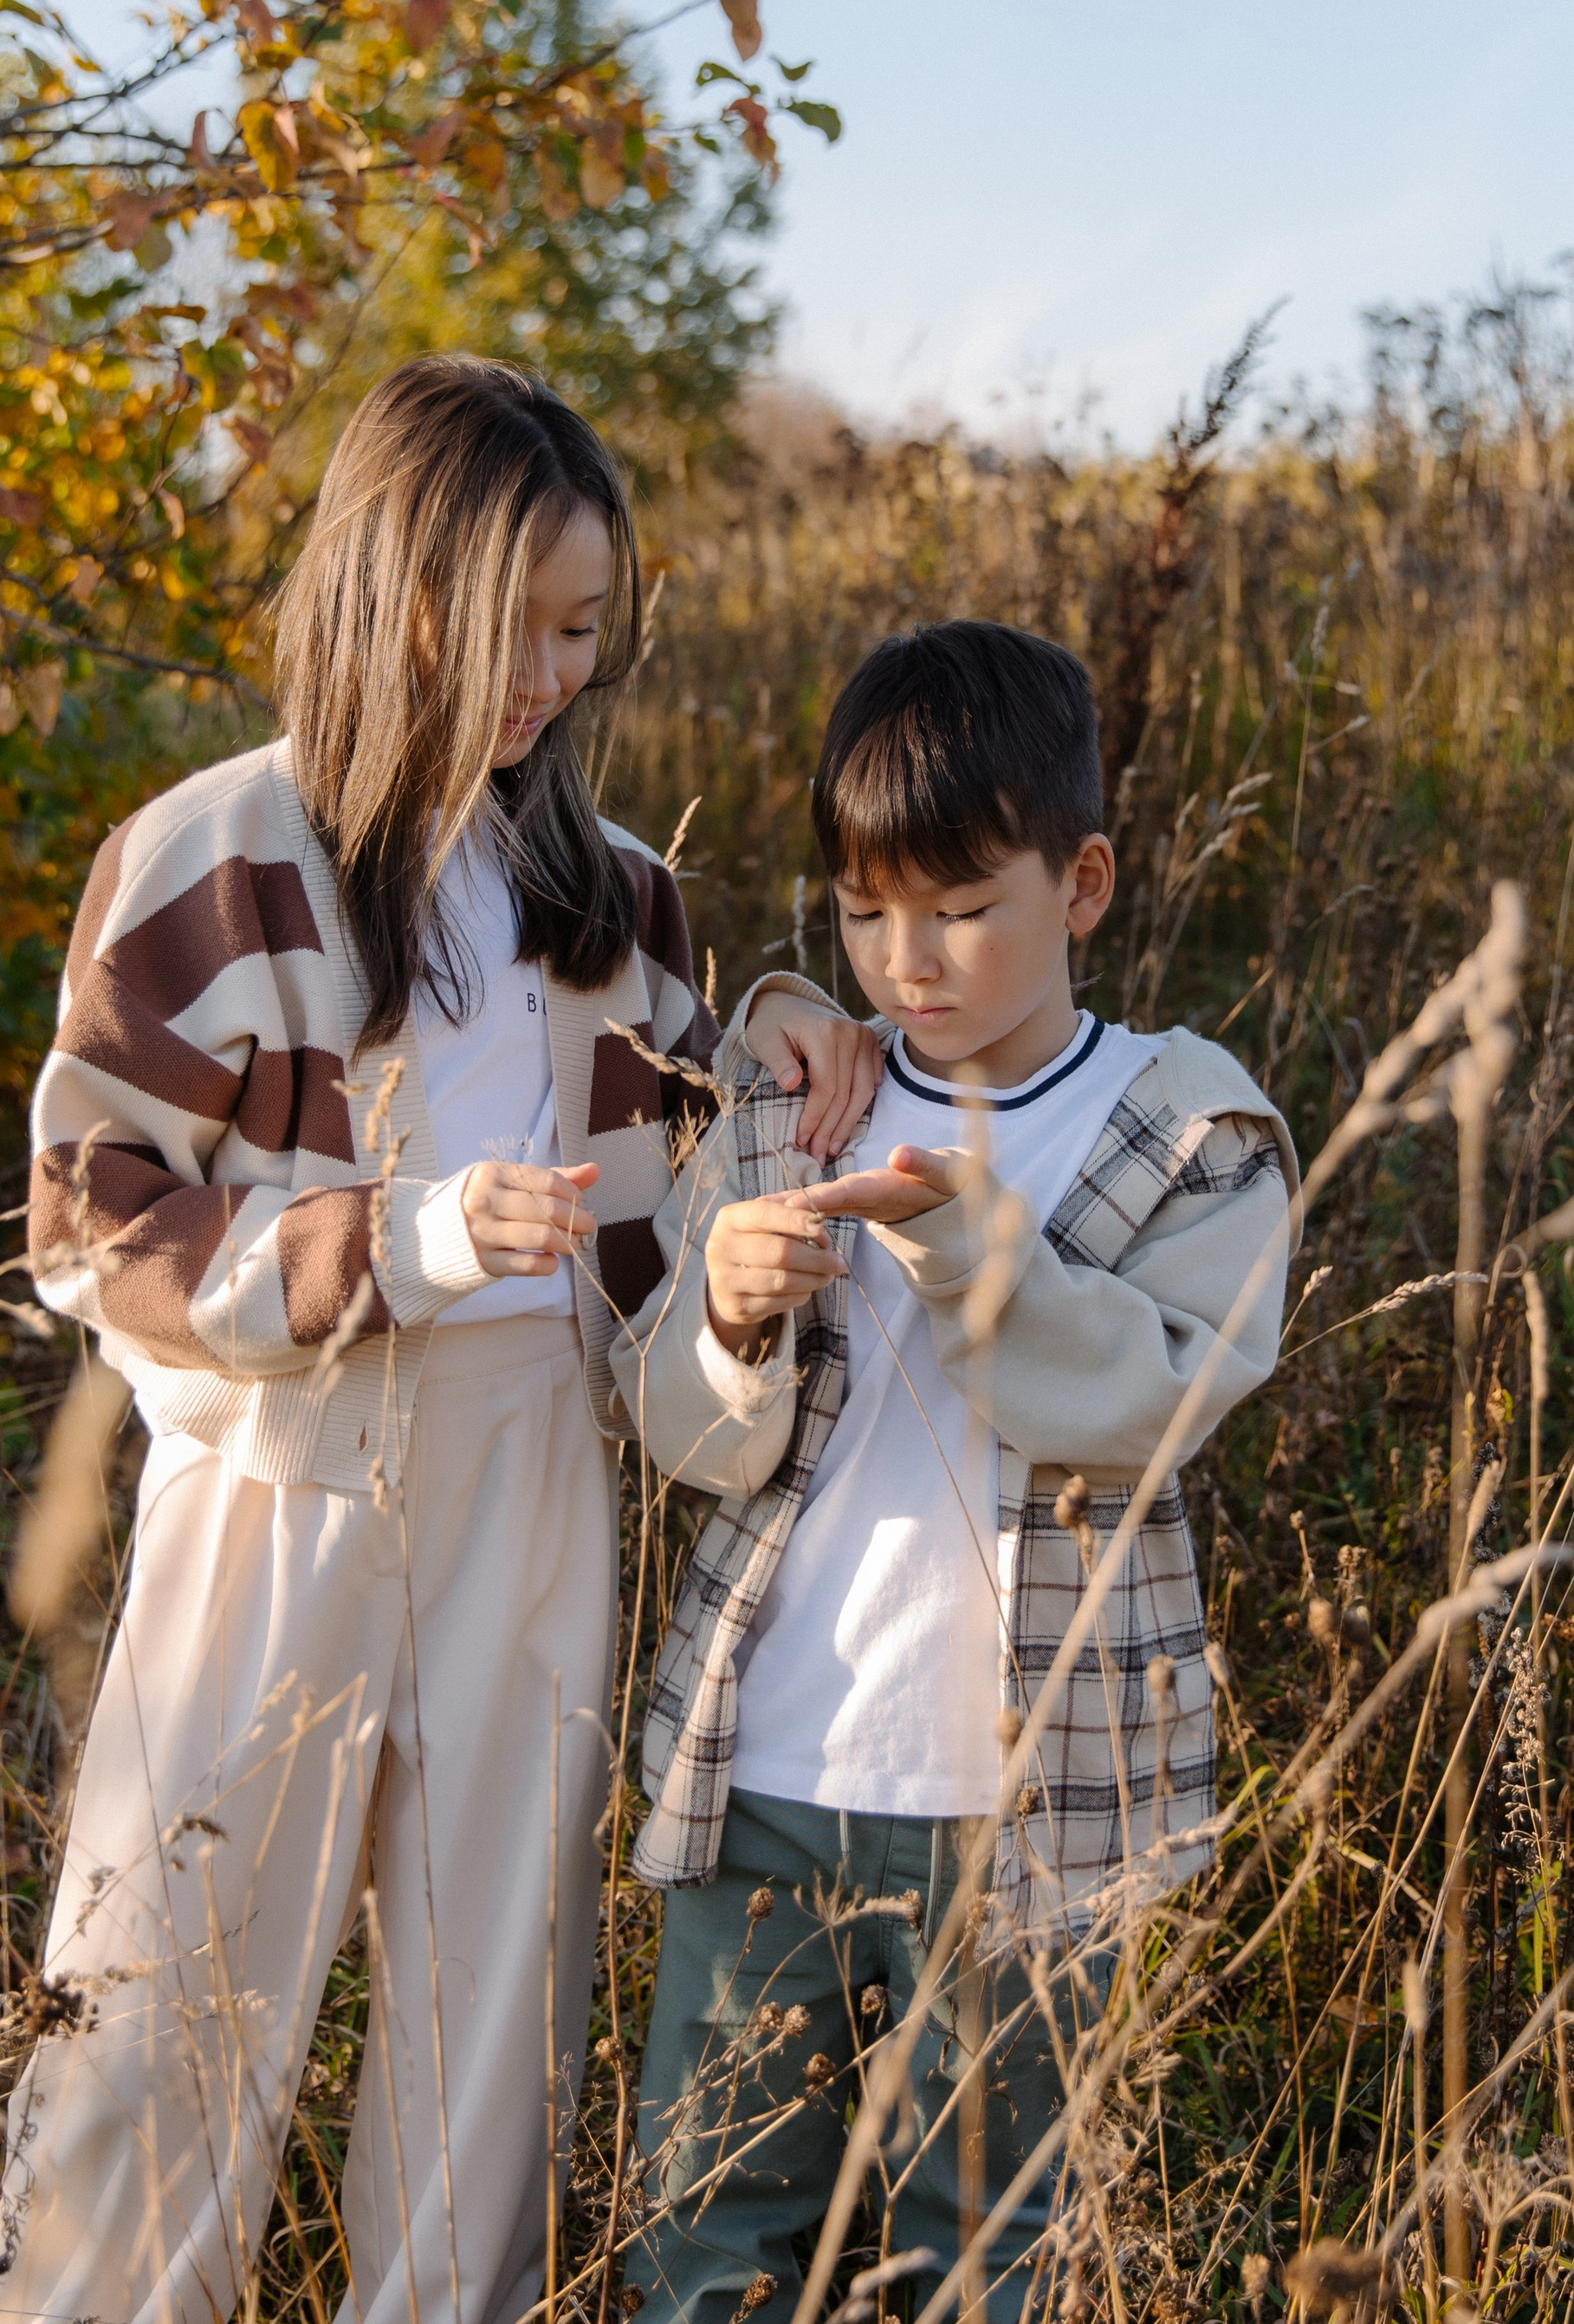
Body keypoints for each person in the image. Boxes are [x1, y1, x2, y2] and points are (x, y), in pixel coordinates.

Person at [0, 356, 878, 2324]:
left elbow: (684, 1197)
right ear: (396, 592)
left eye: (582, 632)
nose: (552, 676)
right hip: (273, 1487)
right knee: (160, 2011)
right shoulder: (213, 853)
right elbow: (84, 1213)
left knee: (489, 2040)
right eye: (515, 627)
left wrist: (796, 1020)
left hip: (532, 1483)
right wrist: (388, 1239)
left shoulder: (611, 891)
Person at [613, 618, 1299, 2324]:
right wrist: (726, 1318)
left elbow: (1157, 1398)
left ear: (1081, 882)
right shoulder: (790, 1112)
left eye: (958, 906)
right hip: (766, 1770)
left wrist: (969, 1250)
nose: (904, 959)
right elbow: (682, 1439)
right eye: (859, 911)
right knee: (706, 2225)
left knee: (987, 2247)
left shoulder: (1186, 1125)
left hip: (1030, 1804)